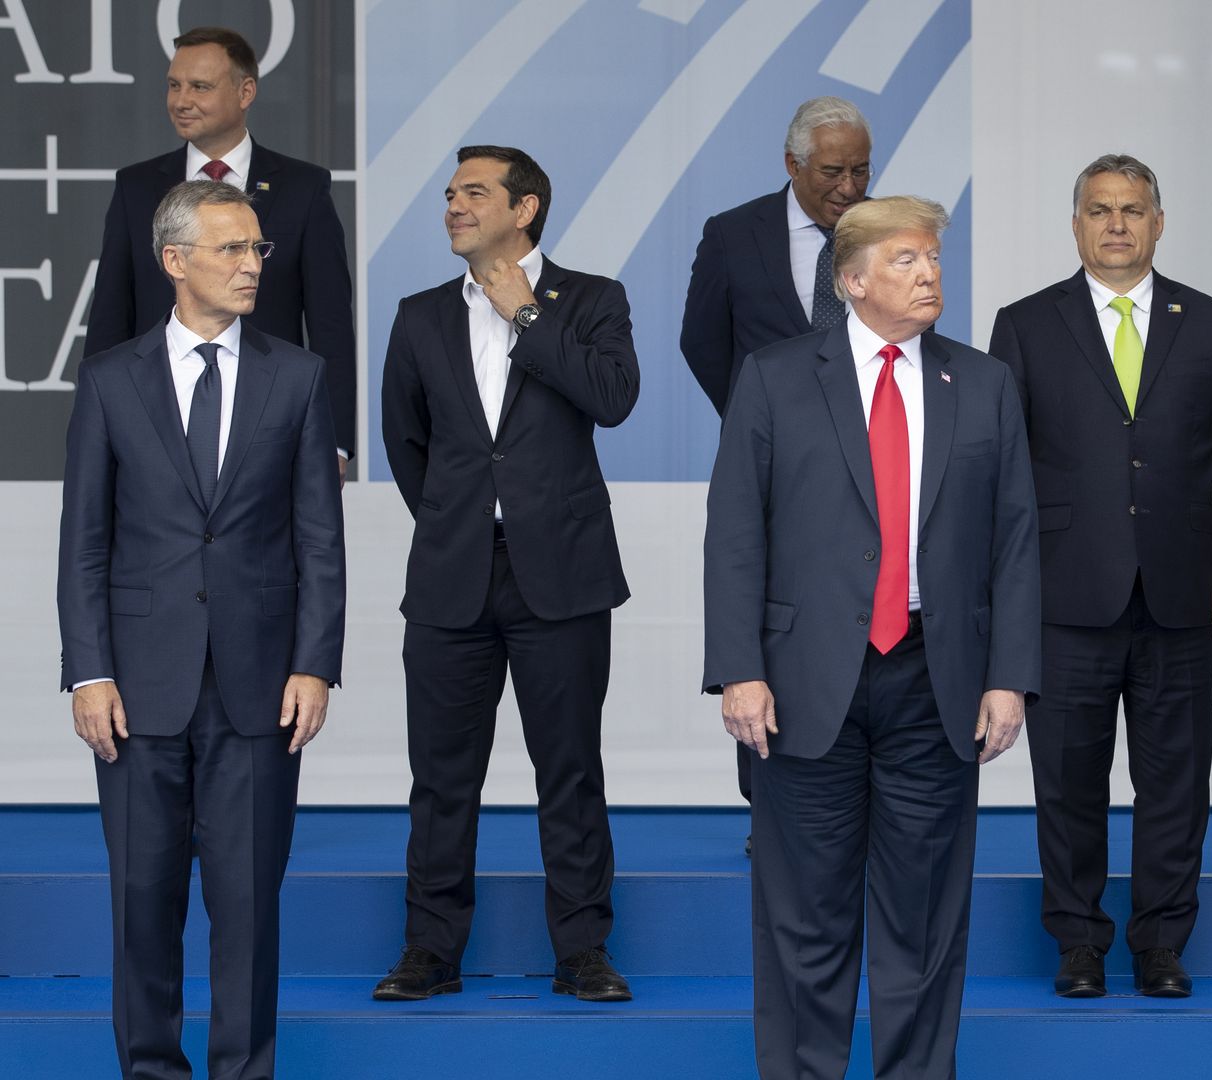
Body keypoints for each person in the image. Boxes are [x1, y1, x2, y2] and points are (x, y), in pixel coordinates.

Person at [703, 195, 1041, 1079]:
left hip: (939, 679)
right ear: (850, 281)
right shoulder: (774, 377)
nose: (929, 273)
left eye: (932, 257)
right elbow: (735, 533)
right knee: (802, 918)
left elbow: (1015, 539)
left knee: (925, 920)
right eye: (904, 260)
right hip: (801, 683)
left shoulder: (983, 381)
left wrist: (1009, 677)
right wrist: (738, 669)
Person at [57, 179, 346, 1079]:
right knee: (142, 902)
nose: (254, 265)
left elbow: (318, 540)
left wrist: (316, 664)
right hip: (137, 688)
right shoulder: (109, 380)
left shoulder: (298, 376)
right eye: (232, 249)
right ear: (174, 260)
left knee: (247, 906)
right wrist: (87, 672)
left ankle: (241, 1071)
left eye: (258, 249)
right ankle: (150, 1067)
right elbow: (84, 545)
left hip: (262, 687)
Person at [987, 154, 1212, 999]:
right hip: (1063, 596)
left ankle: (1159, 945)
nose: (1117, 224)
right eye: (1100, 210)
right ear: (1074, 224)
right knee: (1066, 782)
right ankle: (1078, 944)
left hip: (1183, 594)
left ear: (1158, 221)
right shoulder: (1026, 324)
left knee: (1175, 782)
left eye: (1133, 210)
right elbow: (1000, 469)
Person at [375, 146, 640, 1003]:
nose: (453, 205)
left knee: (569, 770)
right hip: (454, 574)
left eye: (473, 193)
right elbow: (406, 444)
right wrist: (462, 522)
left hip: (560, 576)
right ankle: (430, 950)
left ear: (524, 210)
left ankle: (583, 951)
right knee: (441, 776)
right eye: (450, 193)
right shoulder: (418, 315)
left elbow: (613, 396)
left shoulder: (592, 299)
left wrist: (526, 315)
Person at [681, 95, 873, 821]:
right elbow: (703, 342)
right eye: (831, 171)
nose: (849, 188)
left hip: (879, 468)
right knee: (771, 622)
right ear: (791, 164)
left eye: (861, 170)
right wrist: (756, 424)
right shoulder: (733, 235)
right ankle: (768, 809)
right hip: (774, 473)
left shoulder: (890, 234)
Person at [90, 26, 355, 483]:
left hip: (272, 421)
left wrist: (334, 442)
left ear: (245, 90)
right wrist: (96, 430)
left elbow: (331, 326)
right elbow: (111, 316)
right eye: (174, 85)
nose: (181, 100)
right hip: (153, 421)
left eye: (200, 86)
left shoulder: (303, 188)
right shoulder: (136, 187)